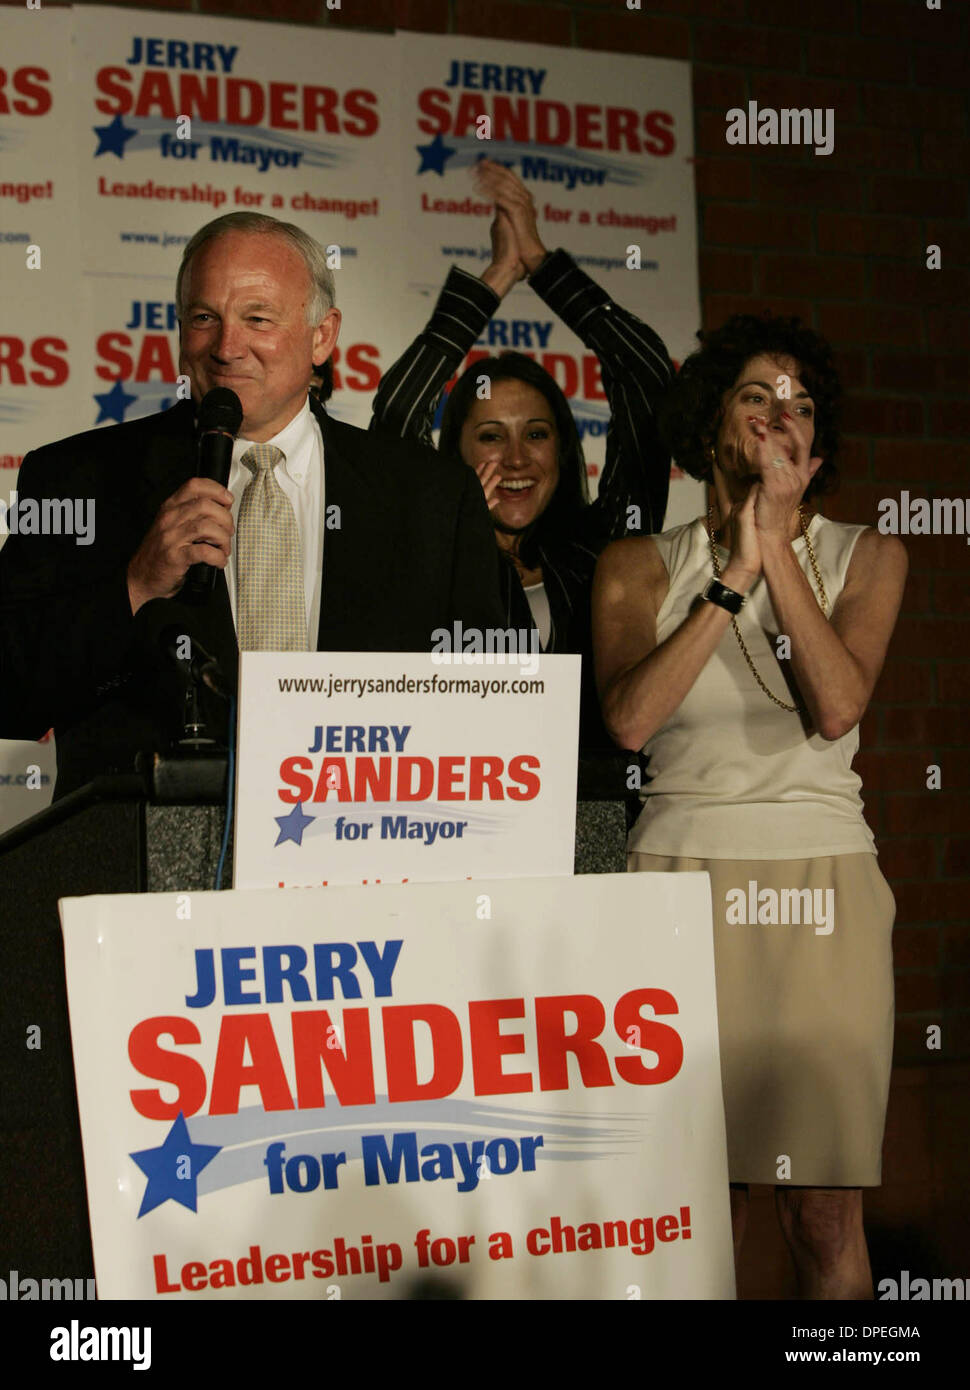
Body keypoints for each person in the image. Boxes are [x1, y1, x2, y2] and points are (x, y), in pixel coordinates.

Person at [592, 314, 908, 1299]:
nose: (782, 419)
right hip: (679, 878)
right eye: (756, 398)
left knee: (820, 1206)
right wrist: (731, 573)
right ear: (711, 425)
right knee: (700, 1201)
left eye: (801, 405)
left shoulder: (868, 554)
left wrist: (779, 546)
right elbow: (631, 722)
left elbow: (837, 703)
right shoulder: (639, 564)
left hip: (819, 883)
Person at [0, 213, 504, 799]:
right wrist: (134, 587)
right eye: (204, 318)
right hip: (143, 866)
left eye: (257, 319)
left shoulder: (432, 496)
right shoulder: (77, 479)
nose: (226, 347)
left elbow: (485, 708)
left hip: (368, 858)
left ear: (323, 336)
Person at [371, 160, 673, 745]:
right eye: (489, 436)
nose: (515, 459)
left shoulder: (603, 549)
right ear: (453, 454)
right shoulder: (427, 554)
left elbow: (648, 377)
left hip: (593, 819)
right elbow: (397, 418)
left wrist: (542, 265)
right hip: (455, 812)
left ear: (562, 449)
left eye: (535, 434)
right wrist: (492, 283)